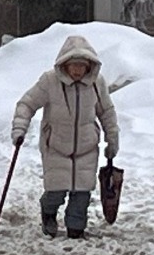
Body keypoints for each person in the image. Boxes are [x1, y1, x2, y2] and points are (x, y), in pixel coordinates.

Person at [12, 35, 119, 240]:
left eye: (82, 65)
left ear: (90, 66)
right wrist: (19, 129)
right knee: (56, 192)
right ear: (64, 65)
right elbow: (27, 104)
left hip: (86, 148)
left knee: (81, 195)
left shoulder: (97, 83)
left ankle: (75, 229)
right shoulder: (49, 81)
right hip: (56, 147)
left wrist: (112, 138)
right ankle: (49, 212)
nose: (78, 70)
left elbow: (107, 112)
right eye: (74, 65)